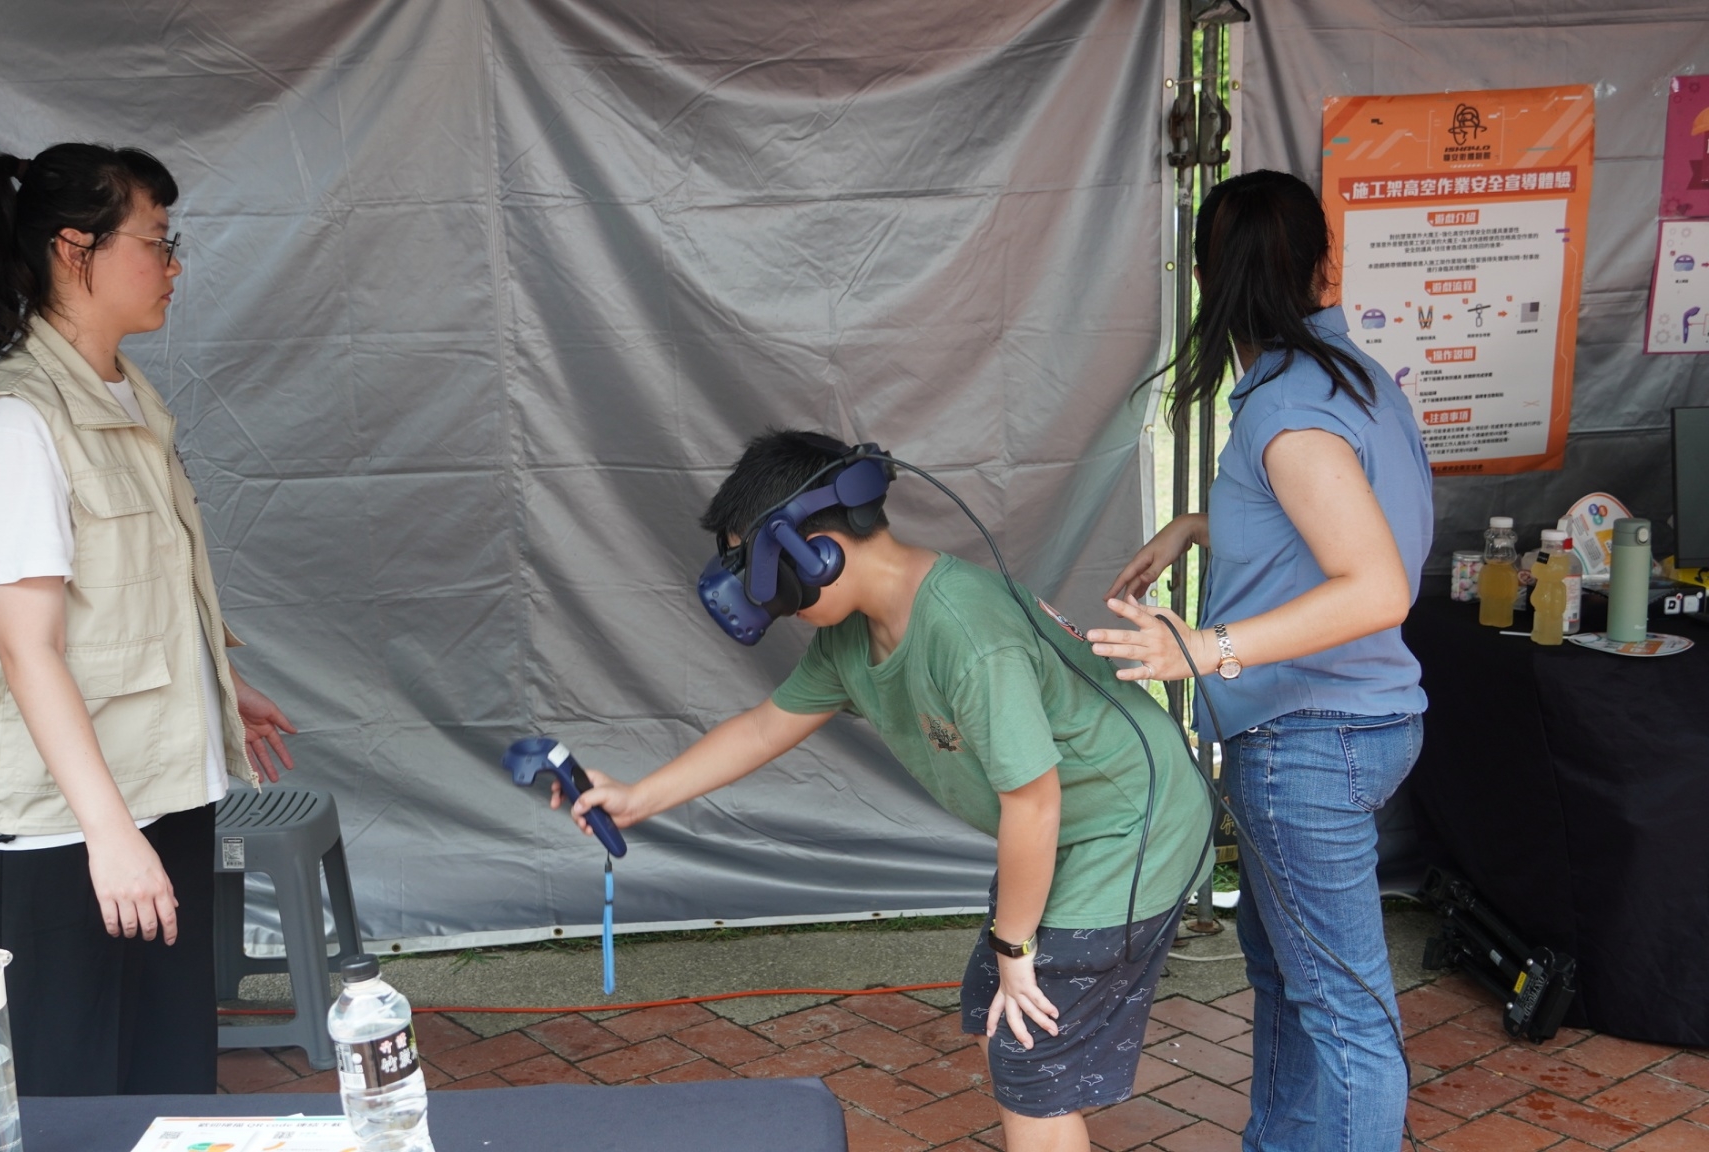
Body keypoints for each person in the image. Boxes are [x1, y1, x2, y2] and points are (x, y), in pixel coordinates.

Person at [557, 430, 1212, 1152]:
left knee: (1033, 1054)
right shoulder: (852, 636)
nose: (757, 595)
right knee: (1006, 1025)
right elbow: (762, 728)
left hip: (1131, 828)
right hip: (1071, 828)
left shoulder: (966, 634)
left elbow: (1034, 802)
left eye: (759, 567)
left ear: (813, 549)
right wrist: (639, 798)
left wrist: (1016, 946)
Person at [0, 144, 299, 1095]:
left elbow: (138, 592)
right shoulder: (17, 425)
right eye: (158, 243)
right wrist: (108, 833)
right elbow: (29, 650)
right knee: (70, 1093)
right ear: (73, 250)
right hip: (62, 828)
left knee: (164, 1075)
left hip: (152, 789)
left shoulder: (124, 396)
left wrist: (223, 683)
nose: (174, 266)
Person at [1088, 169, 1433, 1152]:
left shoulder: (1285, 410)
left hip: (1305, 740)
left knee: (1345, 1012)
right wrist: (1204, 524)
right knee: (1287, 969)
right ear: (1327, 268)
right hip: (1360, 723)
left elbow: (1374, 585)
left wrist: (1200, 646)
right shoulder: (1351, 380)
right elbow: (1347, 522)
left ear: (1206, 281)